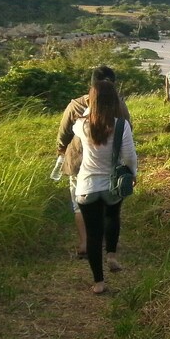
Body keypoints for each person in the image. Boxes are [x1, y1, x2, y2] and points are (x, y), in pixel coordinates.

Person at [56, 66, 130, 259]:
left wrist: (61, 150)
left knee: (79, 204)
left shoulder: (75, 105)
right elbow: (127, 130)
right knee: (106, 201)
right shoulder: (119, 105)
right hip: (107, 163)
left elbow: (63, 134)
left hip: (77, 161)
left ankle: (84, 243)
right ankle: (103, 240)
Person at [73, 80, 138, 294]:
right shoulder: (121, 125)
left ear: (92, 101)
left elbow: (83, 119)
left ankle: (99, 282)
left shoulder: (81, 125)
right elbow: (129, 156)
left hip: (87, 185)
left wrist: (91, 105)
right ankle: (111, 255)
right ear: (114, 101)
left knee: (93, 235)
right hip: (112, 185)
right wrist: (133, 174)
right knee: (113, 216)